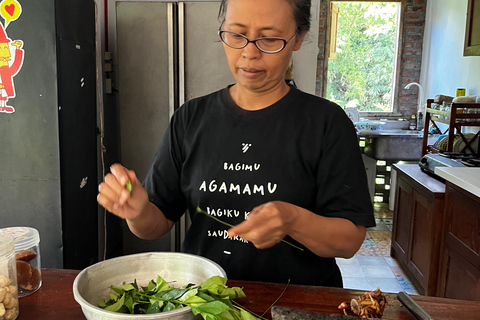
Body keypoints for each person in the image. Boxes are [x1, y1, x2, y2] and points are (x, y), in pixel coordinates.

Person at [98, 0, 375, 287]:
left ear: (299, 38)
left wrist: (293, 220)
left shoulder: (326, 123)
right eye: (236, 34)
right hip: (204, 298)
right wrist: (138, 212)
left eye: (269, 39)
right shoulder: (191, 118)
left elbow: (349, 241)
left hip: (296, 303)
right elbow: (156, 224)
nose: (249, 52)